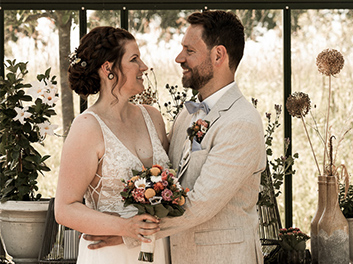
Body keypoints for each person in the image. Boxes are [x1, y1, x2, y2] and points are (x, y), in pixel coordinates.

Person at [86, 11, 266, 264]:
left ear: (218, 55)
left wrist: (130, 233)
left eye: (189, 51)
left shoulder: (241, 122)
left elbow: (200, 203)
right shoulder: (187, 113)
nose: (179, 58)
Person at [54, 26, 170, 264]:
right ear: (109, 68)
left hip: (158, 250)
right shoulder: (87, 127)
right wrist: (125, 228)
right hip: (109, 255)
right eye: (134, 59)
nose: (144, 67)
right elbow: (64, 208)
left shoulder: (153, 118)